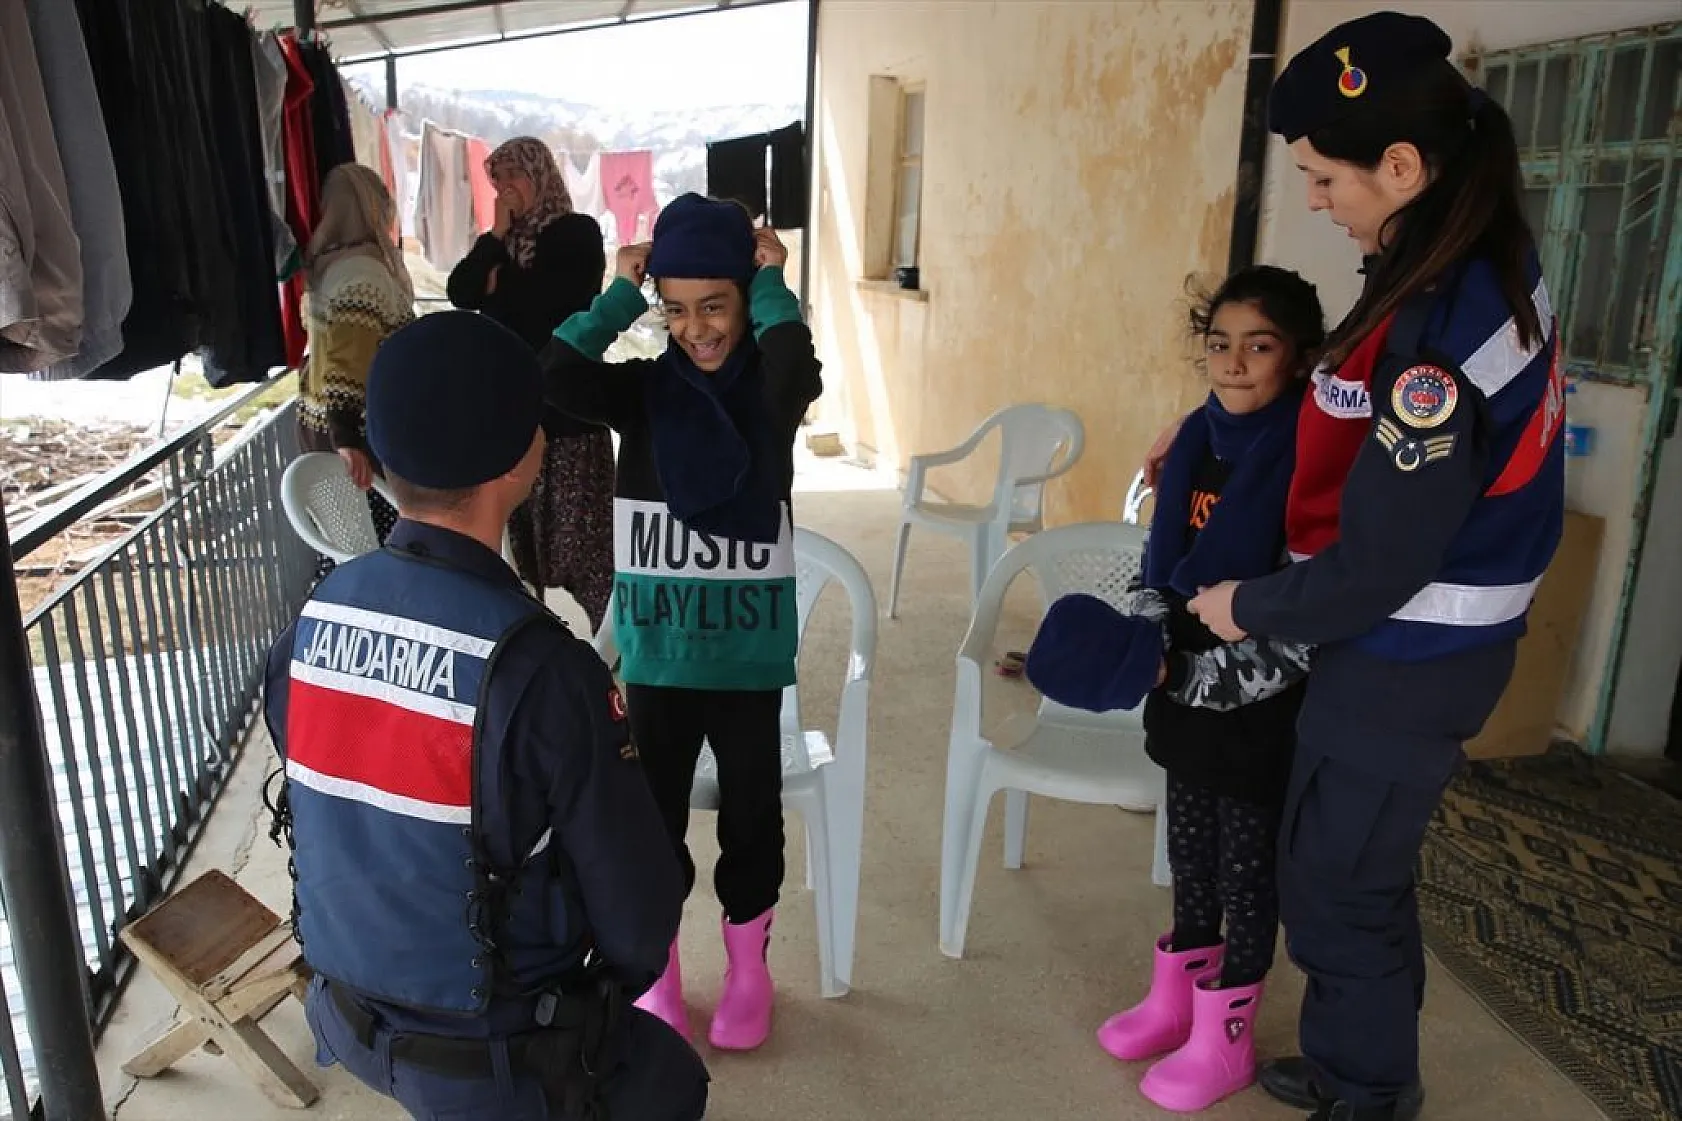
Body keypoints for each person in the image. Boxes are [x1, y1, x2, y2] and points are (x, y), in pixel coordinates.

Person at [1170, 13, 1564, 1121]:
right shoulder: (1463, 253)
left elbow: (1381, 561)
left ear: (1399, 166)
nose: (1311, 198)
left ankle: (1372, 1093)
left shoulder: (1438, 328)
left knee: (1336, 883)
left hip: (1409, 653)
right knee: (1354, 871)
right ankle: (1359, 1063)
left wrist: (1244, 604)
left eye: (1321, 176)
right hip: (1412, 648)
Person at [264, 310, 709, 1121]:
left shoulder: (309, 624)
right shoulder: (547, 671)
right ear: (521, 459)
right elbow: (641, 925)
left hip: (346, 1010)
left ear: (382, 456)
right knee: (670, 1080)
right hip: (493, 1054)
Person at [1025, 266, 1324, 1112]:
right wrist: (1145, 637)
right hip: (1185, 690)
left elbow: (1303, 624)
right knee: (1189, 852)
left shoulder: (1309, 459)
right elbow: (1162, 563)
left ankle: (1226, 1035)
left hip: (1257, 703)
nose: (1233, 363)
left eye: (1259, 346)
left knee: (1245, 871)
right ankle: (1178, 998)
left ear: (1299, 358)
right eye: (1219, 344)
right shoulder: (1195, 440)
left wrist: (1186, 672)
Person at [541, 193, 823, 1051]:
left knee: (751, 820)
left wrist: (772, 282)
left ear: (743, 298)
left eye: (716, 305)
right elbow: (553, 376)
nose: (697, 328)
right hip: (659, 655)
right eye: (677, 308)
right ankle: (660, 970)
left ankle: (748, 971)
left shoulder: (769, 395)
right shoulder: (644, 393)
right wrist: (618, 297)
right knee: (652, 822)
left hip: (745, 657)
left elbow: (792, 361)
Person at [447, 137, 615, 632]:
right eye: (496, 179)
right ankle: (533, 641)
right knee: (523, 551)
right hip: (515, 416)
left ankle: (611, 649)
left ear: (540, 177)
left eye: (514, 176)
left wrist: (499, 287)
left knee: (586, 548)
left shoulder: (577, 233)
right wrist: (496, 234)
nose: (505, 189)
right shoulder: (502, 242)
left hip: (570, 414)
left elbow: (553, 312)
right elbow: (461, 291)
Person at [299, 163, 415, 578]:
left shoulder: (329, 266)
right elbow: (349, 358)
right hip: (360, 437)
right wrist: (347, 437)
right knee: (376, 547)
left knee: (346, 544)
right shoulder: (363, 274)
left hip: (323, 424)